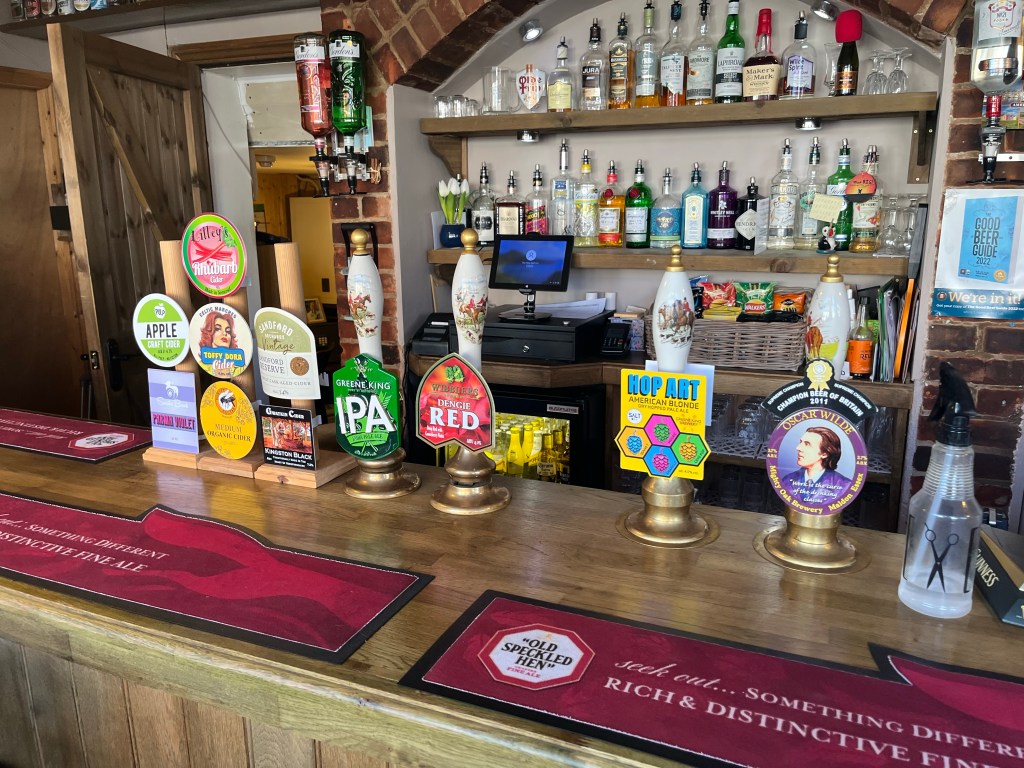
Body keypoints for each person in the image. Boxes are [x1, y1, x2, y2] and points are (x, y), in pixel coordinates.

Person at [781, 426, 853, 506]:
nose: (798, 448)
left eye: (807, 444)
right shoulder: (787, 480)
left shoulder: (845, 486)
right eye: (800, 442)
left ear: (824, 454)